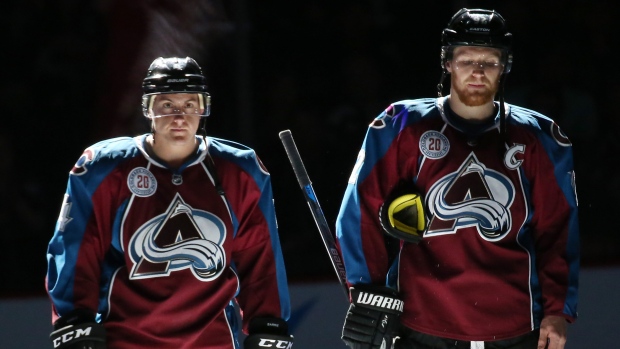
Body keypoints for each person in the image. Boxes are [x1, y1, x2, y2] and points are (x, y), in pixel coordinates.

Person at [336, 8, 579, 349]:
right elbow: (361, 210)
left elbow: (557, 229)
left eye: (489, 61)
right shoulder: (400, 125)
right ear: (447, 63)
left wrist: (557, 310)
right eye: (466, 59)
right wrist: (366, 290)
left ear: (505, 66)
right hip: (420, 324)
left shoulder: (540, 137)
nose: (478, 71)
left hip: (516, 326)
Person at [46, 57, 294, 349]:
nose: (180, 117)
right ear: (148, 108)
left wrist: (269, 321)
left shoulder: (241, 170)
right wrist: (74, 318)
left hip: (214, 341)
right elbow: (78, 246)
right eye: (167, 105)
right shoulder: (104, 168)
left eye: (189, 105)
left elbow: (260, 252)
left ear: (203, 107)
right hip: (126, 338)